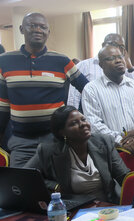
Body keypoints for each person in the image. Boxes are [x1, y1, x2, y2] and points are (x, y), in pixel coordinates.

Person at [0, 13, 89, 167]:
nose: (38, 30)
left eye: (42, 27)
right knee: (22, 186)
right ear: (22, 29)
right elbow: (3, 106)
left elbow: (88, 90)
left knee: (58, 186)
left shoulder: (62, 60)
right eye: (32, 25)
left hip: (55, 139)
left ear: (48, 32)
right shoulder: (5, 60)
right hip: (21, 142)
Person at [25, 106, 130, 204]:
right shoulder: (48, 150)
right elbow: (25, 176)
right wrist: (55, 186)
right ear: (62, 132)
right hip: (73, 209)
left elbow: (124, 177)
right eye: (74, 123)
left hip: (106, 207)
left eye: (83, 119)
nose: (83, 124)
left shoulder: (104, 142)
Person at [82, 45, 134, 156]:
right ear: (101, 65)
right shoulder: (91, 89)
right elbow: (94, 123)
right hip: (111, 153)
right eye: (111, 58)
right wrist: (121, 141)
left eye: (120, 57)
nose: (118, 60)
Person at [68, 33, 134, 110]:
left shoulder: (123, 68)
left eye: (121, 47)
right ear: (103, 45)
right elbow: (73, 97)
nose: (117, 49)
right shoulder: (84, 65)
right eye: (114, 44)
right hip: (91, 114)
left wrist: (130, 67)